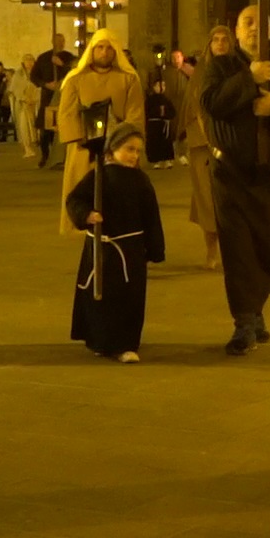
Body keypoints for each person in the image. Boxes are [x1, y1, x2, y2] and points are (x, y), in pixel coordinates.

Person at [200, 6, 270, 354]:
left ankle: (256, 310)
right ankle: (244, 323)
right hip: (230, 174)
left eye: (259, 24)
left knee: (266, 245)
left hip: (269, 175)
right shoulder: (219, 66)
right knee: (238, 248)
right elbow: (212, 103)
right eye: (246, 22)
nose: (252, 29)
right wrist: (249, 78)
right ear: (236, 29)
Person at [67, 124, 165, 363]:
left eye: (137, 151)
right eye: (128, 149)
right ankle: (100, 340)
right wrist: (86, 215)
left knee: (128, 298)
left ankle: (126, 343)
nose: (133, 156)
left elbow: (151, 215)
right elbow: (75, 199)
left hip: (130, 251)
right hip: (101, 248)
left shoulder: (141, 180)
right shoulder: (97, 176)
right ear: (112, 150)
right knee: (99, 297)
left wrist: (154, 248)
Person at [57, 30, 144, 233]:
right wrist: (84, 141)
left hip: (119, 148)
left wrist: (122, 144)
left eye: (109, 48)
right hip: (84, 148)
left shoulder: (129, 79)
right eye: (100, 47)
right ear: (92, 50)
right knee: (84, 198)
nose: (104, 52)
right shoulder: (75, 79)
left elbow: (135, 114)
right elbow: (67, 115)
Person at [180, 27, 232, 272]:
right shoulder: (201, 73)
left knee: (231, 200)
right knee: (207, 200)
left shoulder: (237, 69)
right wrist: (210, 138)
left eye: (225, 40)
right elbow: (196, 107)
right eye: (216, 40)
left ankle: (233, 249)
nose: (220, 44)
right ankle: (211, 249)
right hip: (203, 144)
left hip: (232, 142)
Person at [32, 34, 74, 167]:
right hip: (47, 97)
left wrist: (62, 65)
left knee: (61, 128)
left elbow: (75, 71)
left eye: (62, 41)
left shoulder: (69, 57)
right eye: (58, 41)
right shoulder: (43, 58)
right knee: (45, 129)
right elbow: (34, 76)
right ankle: (45, 155)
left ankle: (61, 157)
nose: (61, 43)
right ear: (52, 42)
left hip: (64, 96)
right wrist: (45, 84)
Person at [143, 79, 178, 169]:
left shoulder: (166, 99)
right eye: (159, 86)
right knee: (155, 142)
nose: (161, 88)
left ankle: (167, 160)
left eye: (163, 85)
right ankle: (156, 161)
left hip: (164, 123)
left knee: (166, 142)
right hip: (153, 124)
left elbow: (173, 112)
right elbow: (146, 112)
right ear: (154, 87)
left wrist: (167, 115)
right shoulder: (150, 100)